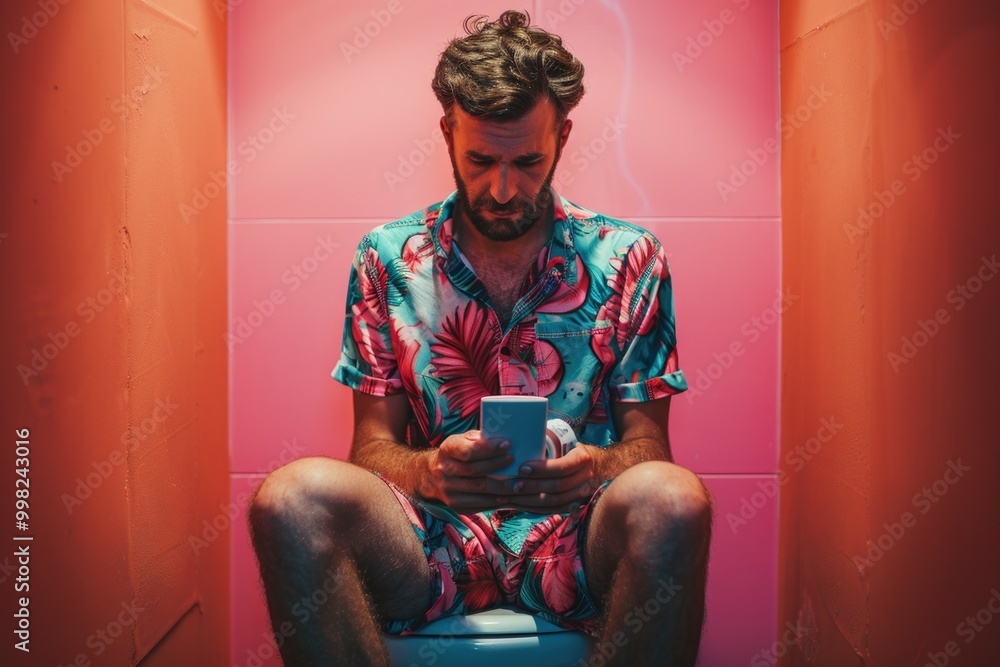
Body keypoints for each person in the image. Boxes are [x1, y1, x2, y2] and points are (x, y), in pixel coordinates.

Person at [249, 10, 712, 666]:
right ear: (448, 133)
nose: (502, 189)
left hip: (577, 536)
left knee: (676, 497)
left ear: (563, 136)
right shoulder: (388, 258)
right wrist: (426, 470)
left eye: (528, 161)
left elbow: (649, 448)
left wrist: (592, 466)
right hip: (430, 538)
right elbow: (371, 448)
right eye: (480, 160)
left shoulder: (629, 258)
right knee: (290, 499)